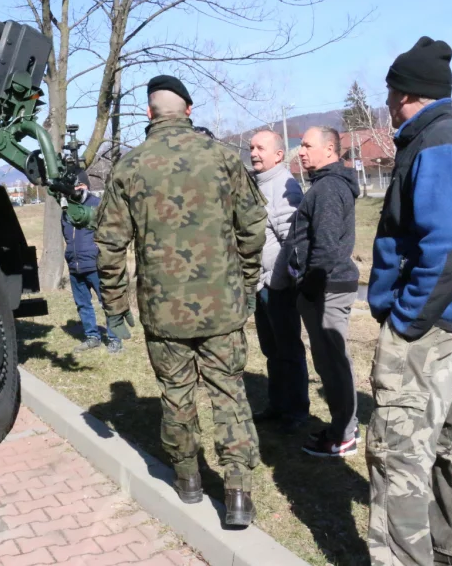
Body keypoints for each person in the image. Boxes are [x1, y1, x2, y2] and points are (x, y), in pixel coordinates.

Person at [94, 74, 266, 527]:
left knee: (176, 395)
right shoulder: (224, 159)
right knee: (229, 393)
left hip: (162, 312)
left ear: (149, 114)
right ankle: (237, 495)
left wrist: (115, 306)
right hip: (222, 307)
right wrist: (246, 285)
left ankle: (188, 479)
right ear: (188, 111)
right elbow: (253, 229)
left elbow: (109, 244)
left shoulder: (129, 167)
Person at [367, 36, 452, 566]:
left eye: (391, 92)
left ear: (403, 93)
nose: (389, 102)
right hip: (450, 324)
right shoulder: (449, 135)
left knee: (398, 453)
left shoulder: (438, 141)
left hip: (427, 328)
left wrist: (406, 321)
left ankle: (403, 558)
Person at [285, 126, 361, 457]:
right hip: (324, 286)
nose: (300, 151)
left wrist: (311, 288)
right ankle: (342, 424)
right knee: (329, 361)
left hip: (327, 287)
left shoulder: (328, 188)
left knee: (333, 363)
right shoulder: (324, 184)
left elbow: (327, 247)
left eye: (306, 145)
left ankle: (345, 435)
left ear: (330, 150)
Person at [247, 130, 309, 432]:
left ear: (278, 155)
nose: (254, 153)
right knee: (271, 350)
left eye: (261, 148)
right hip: (262, 285)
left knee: (288, 350)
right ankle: (278, 404)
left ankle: (296, 412)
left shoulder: (284, 187)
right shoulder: (257, 184)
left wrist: (277, 280)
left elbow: (292, 241)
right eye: (251, 147)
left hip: (278, 286)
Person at [62, 170, 122, 354]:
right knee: (83, 304)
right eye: (72, 187)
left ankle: (114, 339)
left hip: (95, 264)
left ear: (86, 186)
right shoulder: (66, 212)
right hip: (75, 265)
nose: (75, 190)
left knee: (107, 302)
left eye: (79, 186)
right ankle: (92, 337)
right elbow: (65, 235)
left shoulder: (98, 206)